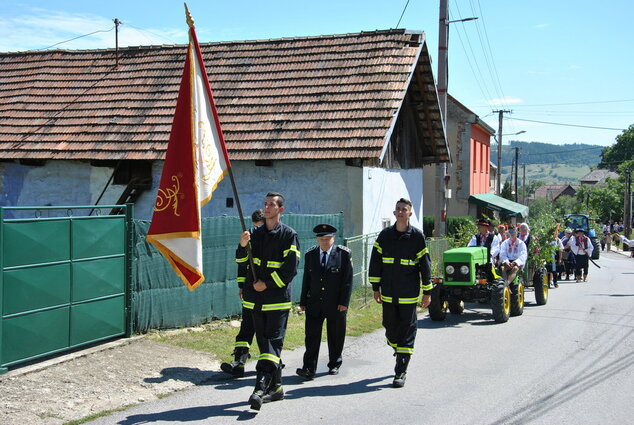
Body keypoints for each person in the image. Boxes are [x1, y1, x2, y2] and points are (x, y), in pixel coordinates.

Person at [235, 193, 300, 410]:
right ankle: (278, 388)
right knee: (265, 345)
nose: (267, 207)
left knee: (272, 343)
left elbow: (290, 269)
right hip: (256, 301)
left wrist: (267, 284)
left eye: (271, 204)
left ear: (281, 209)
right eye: (265, 204)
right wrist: (242, 245)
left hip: (276, 301)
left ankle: (259, 388)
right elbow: (242, 262)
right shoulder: (254, 233)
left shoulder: (289, 235)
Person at [368, 198, 432, 388]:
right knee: (390, 328)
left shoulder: (417, 237)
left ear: (410, 214)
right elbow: (376, 262)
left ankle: (400, 371)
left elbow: (425, 267)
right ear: (394, 213)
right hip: (388, 292)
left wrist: (427, 292)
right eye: (398, 209)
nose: (401, 212)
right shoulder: (385, 235)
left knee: (407, 331)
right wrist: (375, 287)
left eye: (404, 209)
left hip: (409, 294)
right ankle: (398, 348)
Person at [296, 224, 353, 380]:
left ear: (333, 238)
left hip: (336, 304)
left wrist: (344, 303)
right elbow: (306, 279)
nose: (325, 242)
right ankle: (309, 367)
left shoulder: (343, 254)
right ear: (317, 239)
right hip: (314, 302)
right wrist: (303, 301)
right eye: (322, 239)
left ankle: (334, 363)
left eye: (328, 239)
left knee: (335, 335)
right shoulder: (310, 254)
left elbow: (347, 281)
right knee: (311, 336)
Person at [221, 209, 265, 377]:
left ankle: (272, 361)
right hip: (249, 289)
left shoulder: (274, 238)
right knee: (247, 326)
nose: (256, 230)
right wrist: (241, 285)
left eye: (259, 227)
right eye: (254, 226)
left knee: (266, 329)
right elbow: (241, 263)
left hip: (267, 290)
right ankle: (239, 362)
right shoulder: (248, 237)